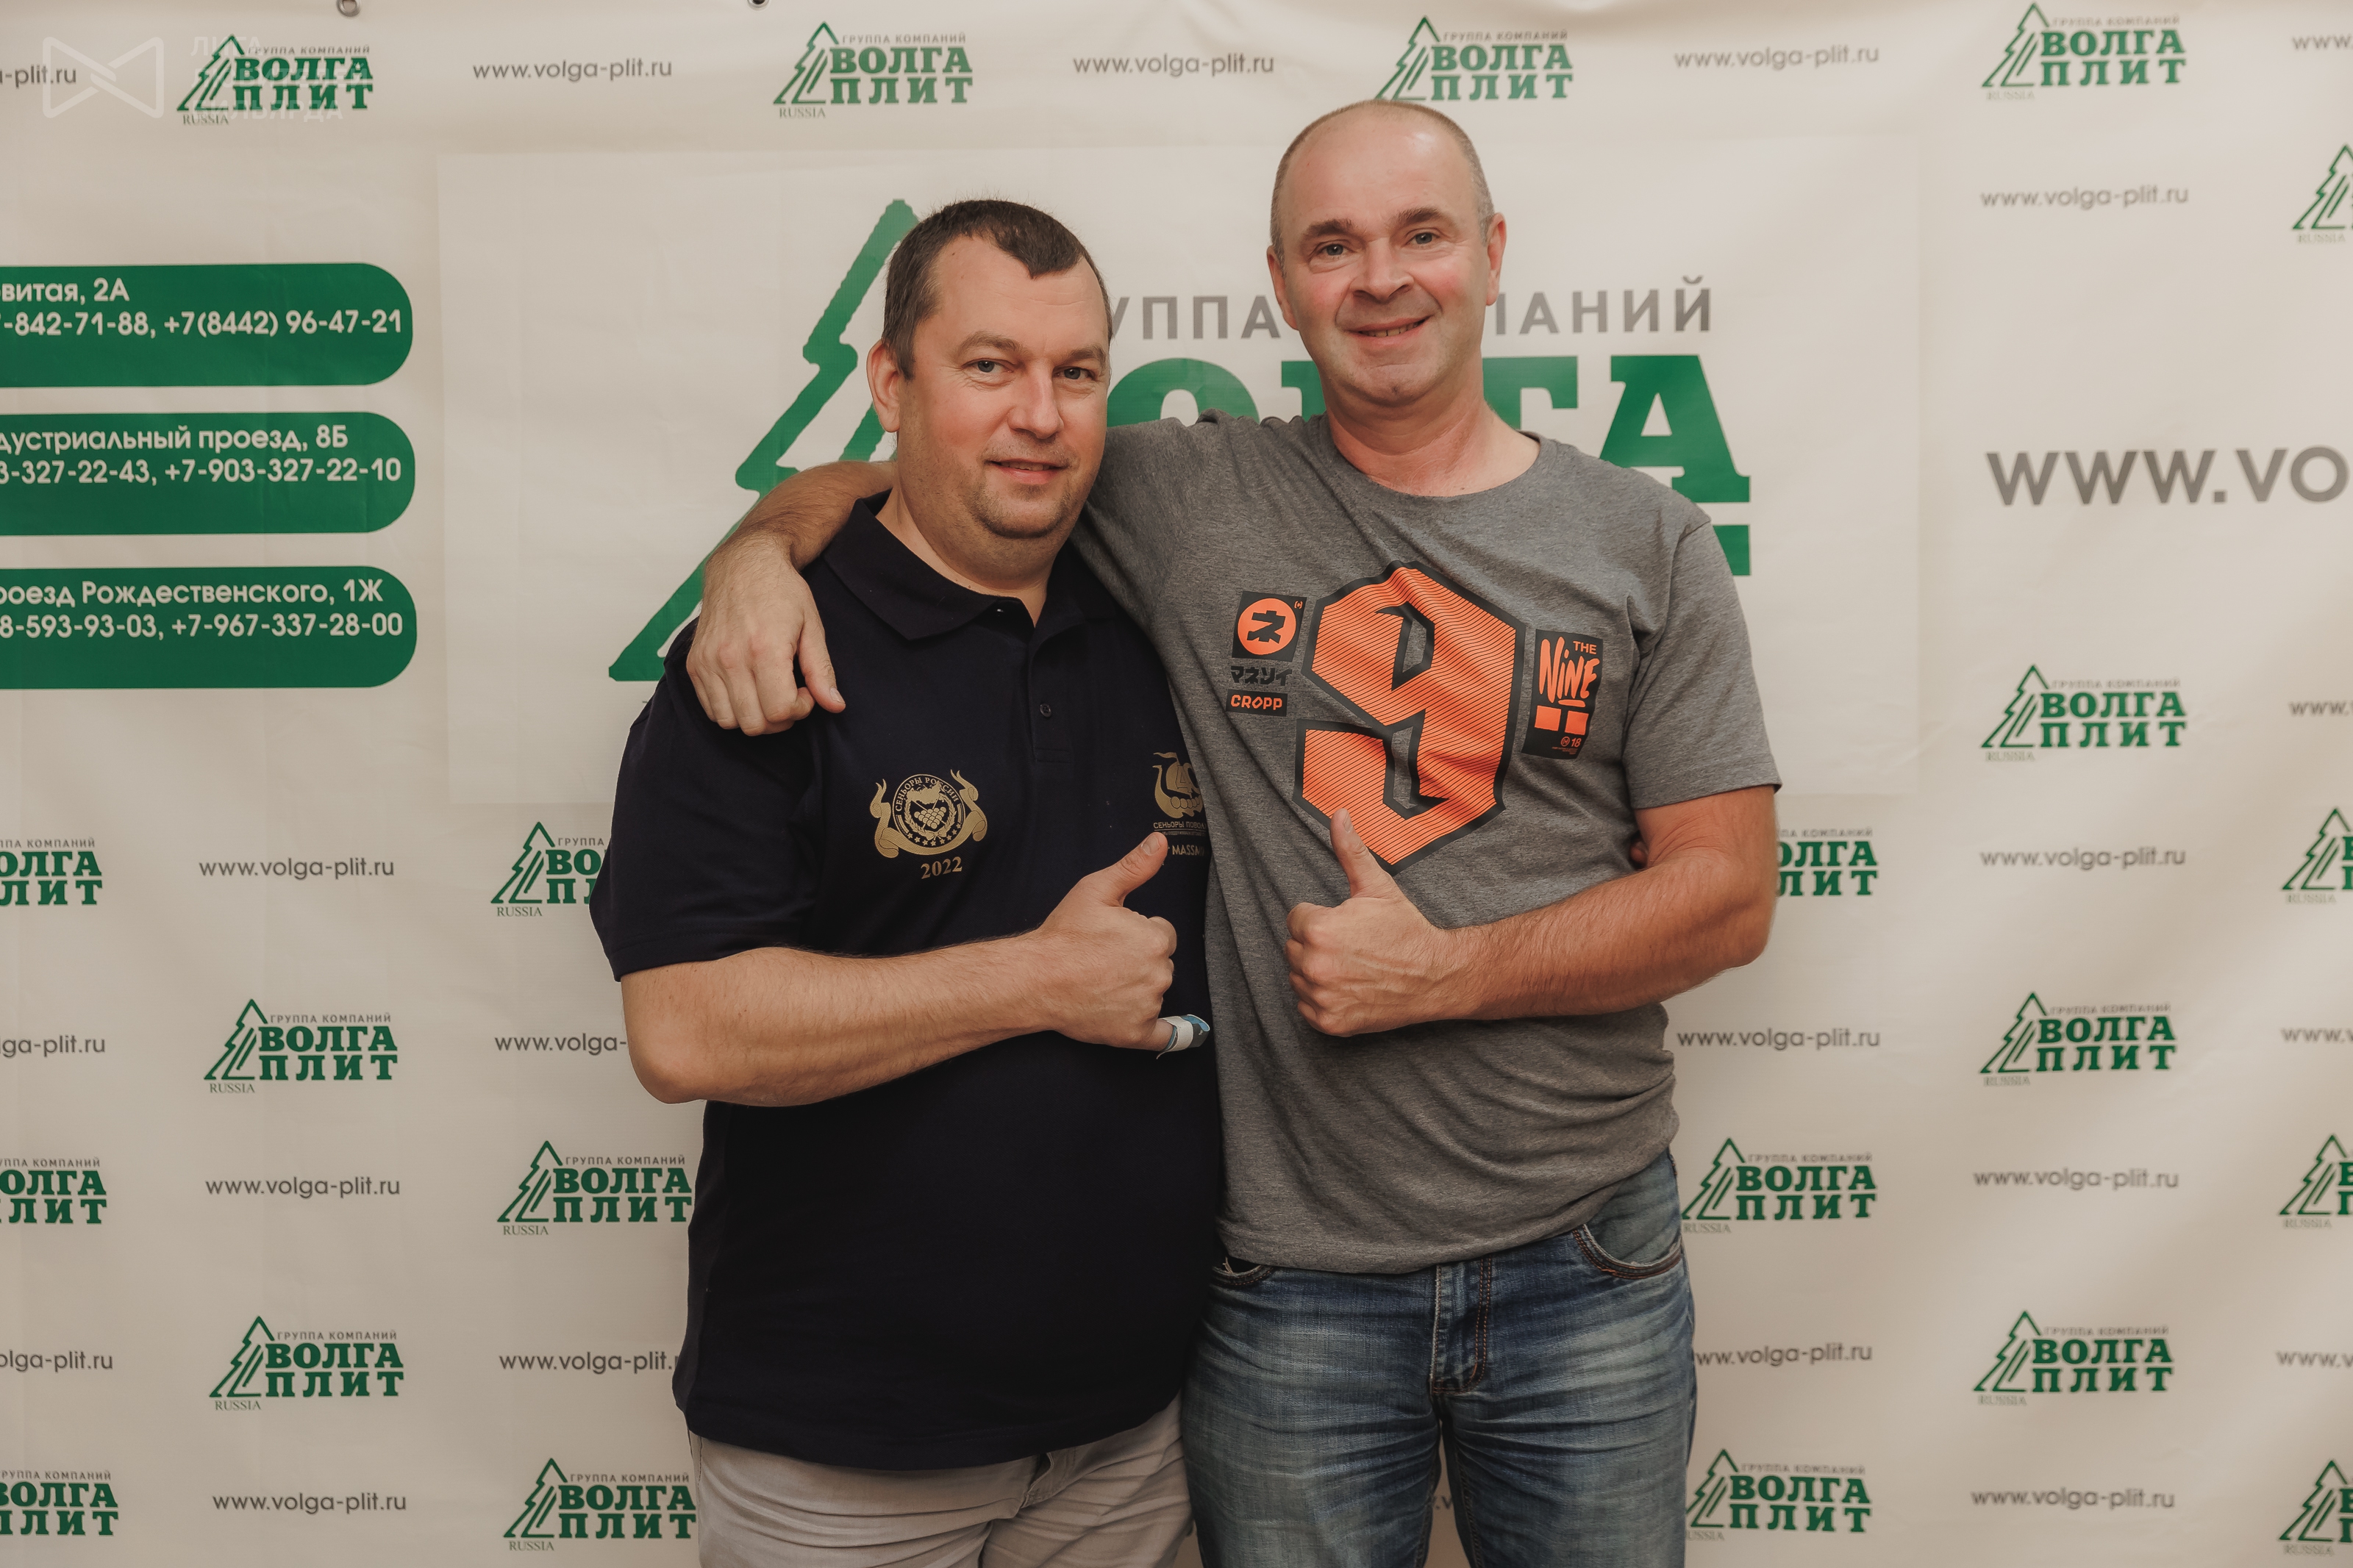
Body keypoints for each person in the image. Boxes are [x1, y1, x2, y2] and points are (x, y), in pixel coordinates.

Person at [683, 103, 1779, 1568]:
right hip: (1285, 1288)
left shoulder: (1647, 537)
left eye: (1420, 234)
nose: (1378, 278)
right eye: (1332, 245)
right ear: (1279, 284)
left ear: (1492, 253)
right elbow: (927, 476)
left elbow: (1726, 895)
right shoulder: (1176, 491)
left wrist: (1443, 971)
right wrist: (755, 554)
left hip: (1587, 1252)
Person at [588, 199, 1221, 1568]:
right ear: (892, 382)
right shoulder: (765, 654)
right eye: (989, 366)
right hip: (841, 1450)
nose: (1039, 414)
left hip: (1134, 1438)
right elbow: (684, 1028)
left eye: (1076, 372)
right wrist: (1034, 980)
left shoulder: (1158, 612)